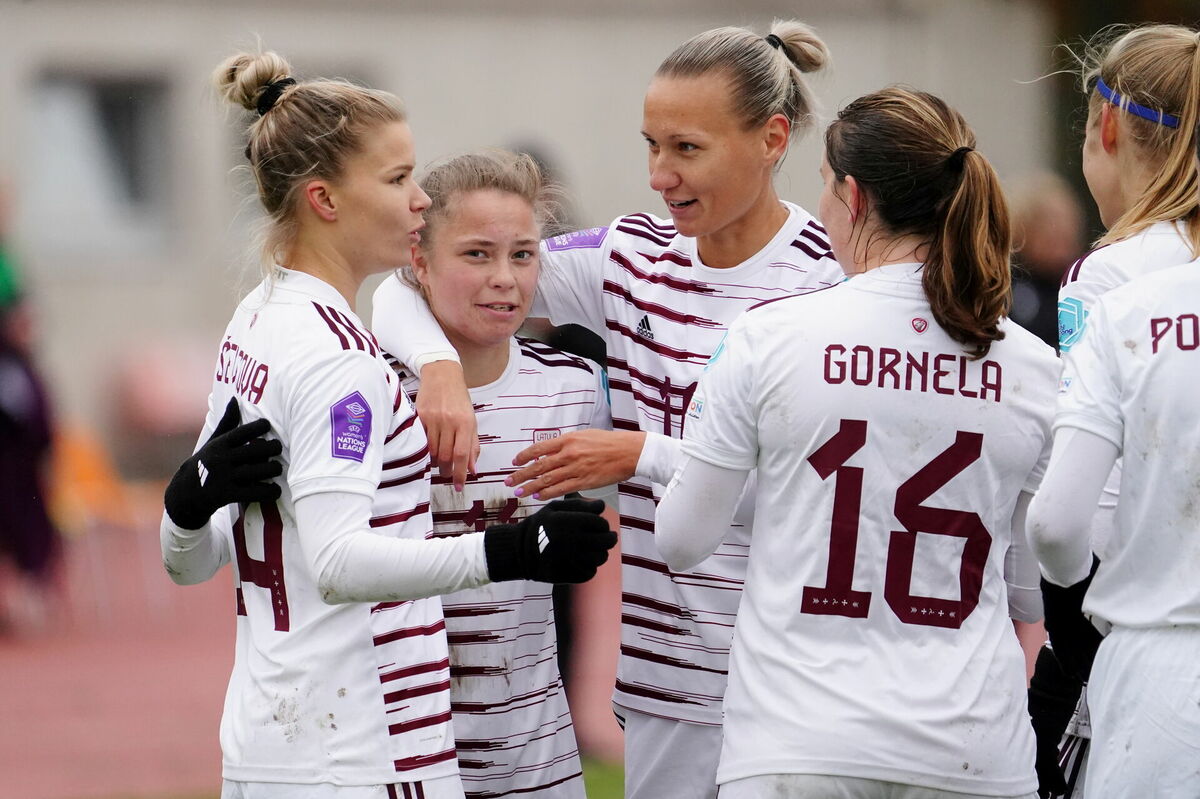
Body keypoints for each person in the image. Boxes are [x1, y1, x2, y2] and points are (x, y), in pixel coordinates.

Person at [371, 22, 846, 798]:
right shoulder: (628, 255)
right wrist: (437, 367)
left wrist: (640, 452)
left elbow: (818, 491)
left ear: (772, 138)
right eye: (650, 145)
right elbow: (405, 282)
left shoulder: (832, 279)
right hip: (666, 682)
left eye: (686, 148)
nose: (659, 174)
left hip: (797, 672)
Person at [159, 51, 614, 799]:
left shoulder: (256, 318)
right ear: (324, 200)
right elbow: (339, 563)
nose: (419, 200)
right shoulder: (346, 363)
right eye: (399, 178)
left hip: (261, 742)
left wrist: (183, 506)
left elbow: (190, 558)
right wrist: (509, 547)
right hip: (359, 751)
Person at [655, 87, 1058, 799]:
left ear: (854, 195)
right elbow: (1028, 590)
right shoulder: (1033, 366)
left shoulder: (768, 337)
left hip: (798, 743)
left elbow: (684, 537)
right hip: (973, 751)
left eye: (822, 189)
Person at [385, 150, 612, 798]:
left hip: (540, 769)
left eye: (522, 254)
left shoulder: (574, 388)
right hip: (403, 761)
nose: (505, 279)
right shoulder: (369, 390)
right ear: (419, 260)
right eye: (478, 254)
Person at [1030, 24, 1200, 797]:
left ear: (1104, 124)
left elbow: (1077, 512)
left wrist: (1072, 641)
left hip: (1151, 653)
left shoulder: (1115, 281)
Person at [1007, 173, 1085, 349]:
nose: (1063, 230)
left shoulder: (1086, 283)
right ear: (1024, 227)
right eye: (1049, 221)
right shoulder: (1003, 287)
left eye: (1067, 220)